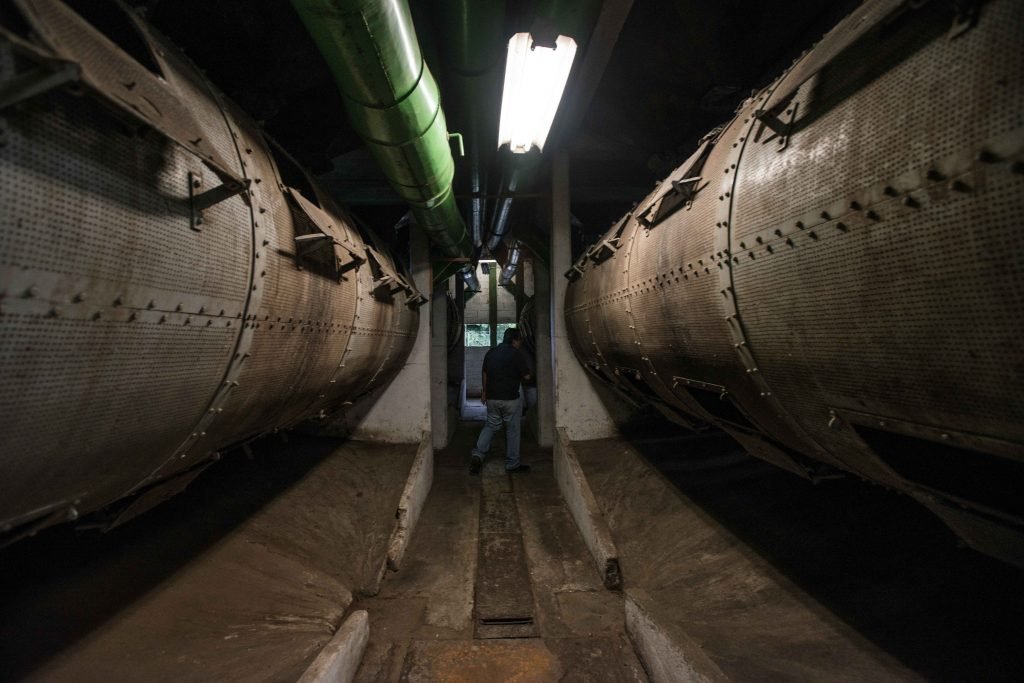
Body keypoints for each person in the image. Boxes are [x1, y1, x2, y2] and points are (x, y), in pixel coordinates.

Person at [470, 327, 532, 474]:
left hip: (492, 398)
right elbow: (527, 376)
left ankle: (478, 455)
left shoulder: (491, 352)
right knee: (513, 430)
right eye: (519, 341)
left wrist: (484, 392)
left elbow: (484, 373)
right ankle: (512, 464)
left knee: (491, 425)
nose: (520, 344)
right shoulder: (516, 354)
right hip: (510, 399)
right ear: (515, 340)